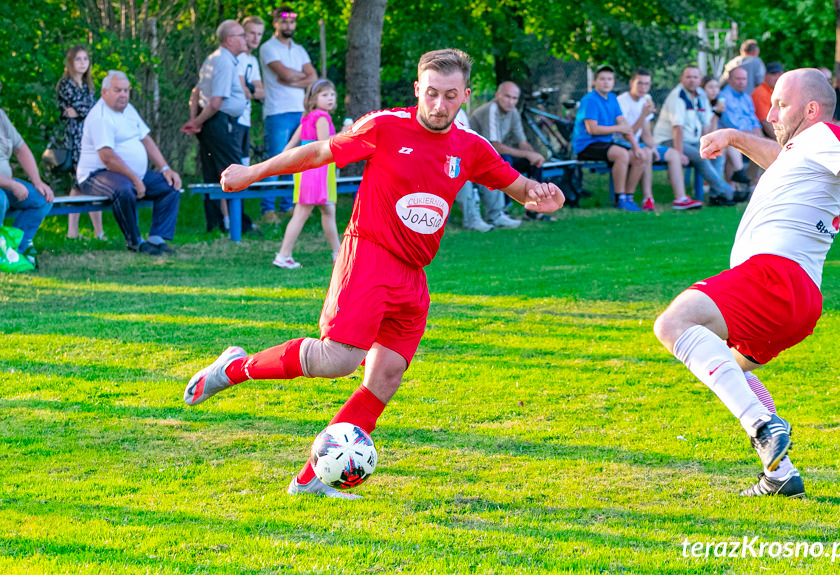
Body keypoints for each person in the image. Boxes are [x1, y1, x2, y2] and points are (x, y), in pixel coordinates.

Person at [184, 48, 565, 498]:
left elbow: (519, 188)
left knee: (384, 378)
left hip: (413, 273)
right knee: (338, 360)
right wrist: (253, 172)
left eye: (449, 96)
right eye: (431, 94)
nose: (439, 105)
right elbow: (318, 152)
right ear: (417, 91)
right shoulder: (385, 127)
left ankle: (310, 481)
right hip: (369, 253)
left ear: (464, 95)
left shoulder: (470, 147)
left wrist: (543, 196)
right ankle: (235, 368)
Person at [654, 68, 840, 498]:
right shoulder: (805, 150)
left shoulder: (827, 135)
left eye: (780, 105)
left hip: (773, 277)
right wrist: (731, 135)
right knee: (727, 368)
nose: (770, 113)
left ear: (810, 110)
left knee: (672, 326)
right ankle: (780, 473)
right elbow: (781, 158)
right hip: (796, 298)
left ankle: (763, 427)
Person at [78, 70, 182, 255]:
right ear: (104, 92)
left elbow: (146, 139)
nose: (123, 95)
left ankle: (157, 240)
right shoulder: (101, 116)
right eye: (118, 90)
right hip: (96, 176)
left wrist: (165, 168)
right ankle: (135, 242)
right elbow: (107, 158)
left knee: (170, 185)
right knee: (124, 190)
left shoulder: (129, 110)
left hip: (131, 175)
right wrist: (135, 179)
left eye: (126, 90)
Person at [182, 20, 250, 234]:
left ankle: (216, 224)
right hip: (219, 122)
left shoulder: (215, 59)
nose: (245, 39)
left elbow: (196, 93)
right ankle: (241, 225)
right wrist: (197, 122)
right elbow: (215, 101)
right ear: (229, 40)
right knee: (235, 170)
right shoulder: (223, 61)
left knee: (213, 174)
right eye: (241, 35)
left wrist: (196, 120)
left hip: (214, 122)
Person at [272, 79, 341, 269]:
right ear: (313, 98)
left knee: (328, 210)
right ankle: (284, 255)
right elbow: (325, 144)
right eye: (324, 95)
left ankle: (338, 253)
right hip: (317, 170)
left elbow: (290, 145)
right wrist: (345, 133)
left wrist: (284, 159)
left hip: (306, 170)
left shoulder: (307, 117)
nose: (330, 98)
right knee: (303, 212)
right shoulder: (322, 117)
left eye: (332, 95)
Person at [259, 5, 318, 223]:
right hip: (277, 111)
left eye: (292, 22)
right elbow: (282, 73)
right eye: (283, 22)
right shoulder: (268, 48)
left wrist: (294, 79)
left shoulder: (299, 49)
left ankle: (286, 207)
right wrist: (297, 77)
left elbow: (312, 77)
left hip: (300, 112)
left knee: (295, 161)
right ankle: (267, 210)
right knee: (275, 160)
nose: (288, 25)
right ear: (275, 23)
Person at [617, 68, 702, 210]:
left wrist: (653, 146)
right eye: (640, 83)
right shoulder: (622, 101)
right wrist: (644, 114)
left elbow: (646, 134)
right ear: (631, 83)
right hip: (623, 144)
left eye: (647, 84)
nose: (643, 88)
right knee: (648, 154)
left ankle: (680, 199)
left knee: (674, 154)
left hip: (640, 144)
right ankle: (648, 199)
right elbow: (627, 133)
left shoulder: (645, 100)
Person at [654, 66, 737, 206]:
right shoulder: (677, 96)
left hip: (691, 141)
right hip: (670, 141)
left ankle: (716, 197)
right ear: (681, 79)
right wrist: (679, 154)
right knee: (701, 156)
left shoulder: (700, 94)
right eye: (688, 77)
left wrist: (710, 145)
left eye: (695, 77)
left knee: (718, 153)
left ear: (700, 80)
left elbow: (706, 125)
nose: (691, 80)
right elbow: (677, 128)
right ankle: (728, 192)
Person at [469, 81, 548, 225]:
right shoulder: (491, 110)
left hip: (492, 158)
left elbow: (522, 142)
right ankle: (502, 210)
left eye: (514, 98)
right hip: (475, 160)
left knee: (534, 164)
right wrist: (526, 154)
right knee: (504, 160)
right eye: (507, 97)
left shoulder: (513, 112)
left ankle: (534, 209)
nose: (511, 102)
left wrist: (534, 156)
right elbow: (494, 147)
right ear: (497, 95)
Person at [572, 65, 645, 211]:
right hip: (587, 145)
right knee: (621, 154)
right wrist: (619, 129)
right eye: (602, 79)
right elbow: (592, 129)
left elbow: (622, 123)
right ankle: (620, 198)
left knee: (639, 157)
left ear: (613, 82)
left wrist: (636, 147)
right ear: (595, 82)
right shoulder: (590, 100)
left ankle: (629, 197)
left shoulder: (612, 98)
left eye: (609, 79)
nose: (606, 82)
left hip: (606, 143)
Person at [0, 79, 54, 265]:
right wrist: (12, 184)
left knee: (42, 198)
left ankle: (15, 250)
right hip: (4, 186)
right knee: (0, 199)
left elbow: (21, 148)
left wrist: (37, 182)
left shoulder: (0, 117)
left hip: (5, 183)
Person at [56, 45, 103, 240]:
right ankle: (80, 232)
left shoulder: (88, 85)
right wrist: (83, 110)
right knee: (83, 181)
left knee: (83, 184)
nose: (82, 63)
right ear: (70, 62)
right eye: (78, 59)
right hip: (74, 138)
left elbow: (94, 107)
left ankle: (87, 232)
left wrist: (81, 111)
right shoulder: (65, 84)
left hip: (90, 136)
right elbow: (86, 108)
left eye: (85, 59)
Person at [718, 66, 763, 190]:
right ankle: (744, 185)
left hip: (748, 135)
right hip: (732, 136)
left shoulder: (746, 97)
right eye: (738, 79)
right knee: (737, 145)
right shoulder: (723, 97)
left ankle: (751, 183)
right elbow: (730, 123)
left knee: (763, 144)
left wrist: (759, 135)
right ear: (730, 79)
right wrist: (753, 137)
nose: (741, 82)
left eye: (744, 79)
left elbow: (754, 120)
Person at [238, 16, 266, 167]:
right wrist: (250, 89)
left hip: (245, 119)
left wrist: (250, 89)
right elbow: (241, 90)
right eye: (252, 33)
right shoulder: (238, 57)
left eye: (259, 34)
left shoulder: (253, 61)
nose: (256, 38)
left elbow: (262, 93)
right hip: (233, 119)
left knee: (245, 163)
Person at [751, 62, 784, 139]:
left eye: (779, 74)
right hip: (763, 133)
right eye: (773, 74)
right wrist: (781, 140)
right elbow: (764, 122)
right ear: (765, 75)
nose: (777, 77)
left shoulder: (773, 91)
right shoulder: (761, 92)